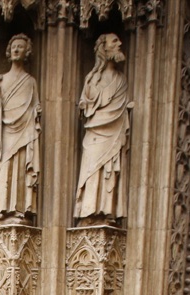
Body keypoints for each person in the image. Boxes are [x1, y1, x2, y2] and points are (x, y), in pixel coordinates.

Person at [74, 32, 133, 225]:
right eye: (114, 41)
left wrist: (126, 111)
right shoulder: (92, 79)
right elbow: (86, 103)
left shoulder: (121, 79)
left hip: (113, 130)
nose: (119, 43)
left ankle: (105, 212)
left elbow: (119, 105)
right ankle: (89, 212)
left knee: (109, 169)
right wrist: (85, 105)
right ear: (104, 48)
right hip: (94, 132)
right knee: (92, 170)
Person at [0, 33, 40, 224]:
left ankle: (19, 208)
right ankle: (1, 208)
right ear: (9, 52)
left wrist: (36, 113)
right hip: (6, 129)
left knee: (19, 166)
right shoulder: (1, 80)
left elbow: (35, 106)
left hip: (25, 128)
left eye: (21, 47)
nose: (17, 50)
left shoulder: (30, 81)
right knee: (5, 166)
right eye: (14, 47)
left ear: (27, 52)